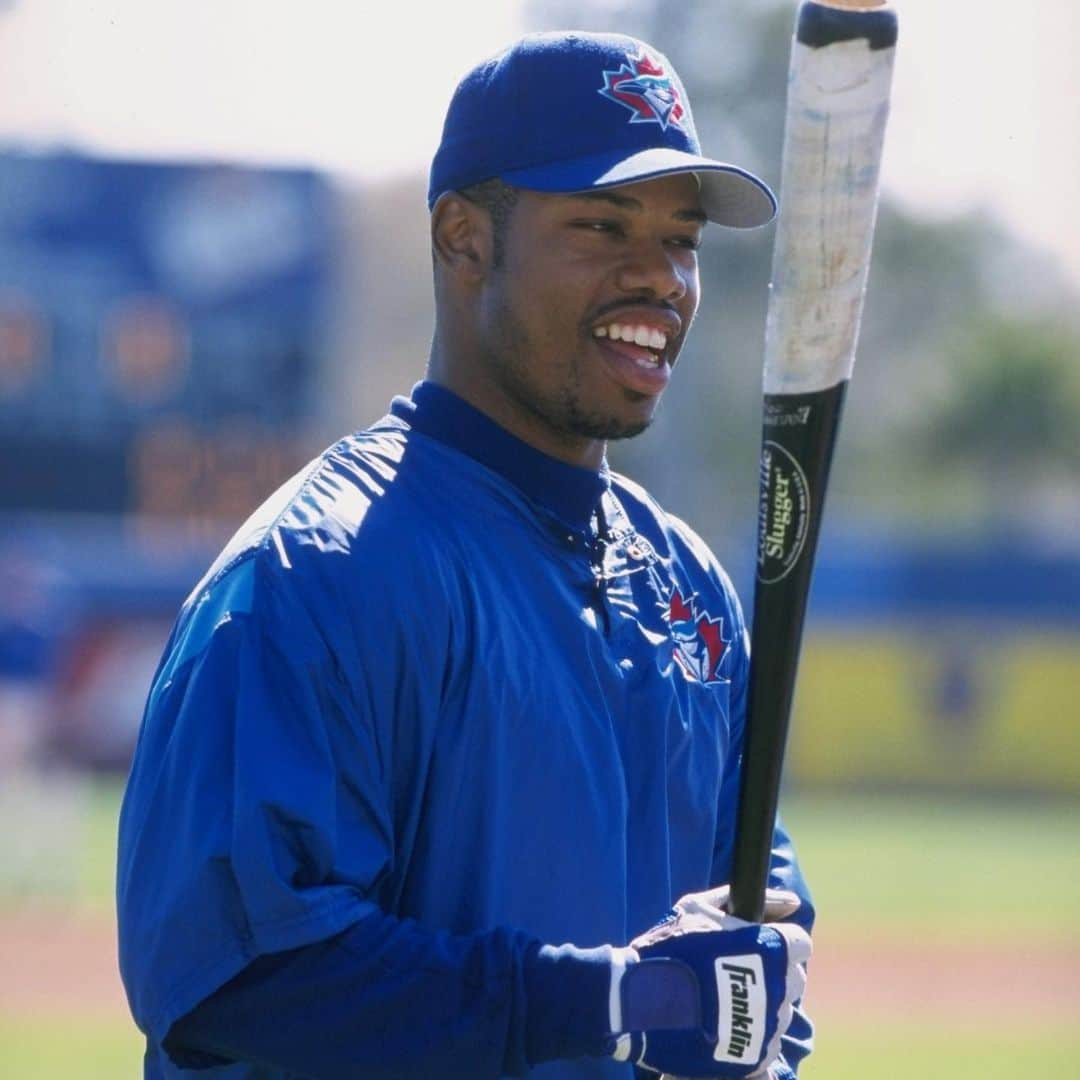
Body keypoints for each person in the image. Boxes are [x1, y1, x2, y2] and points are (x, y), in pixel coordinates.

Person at [117, 30, 815, 1080]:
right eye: (601, 224)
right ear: (462, 240)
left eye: (682, 240)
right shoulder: (321, 572)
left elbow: (761, 947)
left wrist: (753, 1014)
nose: (660, 278)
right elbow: (230, 982)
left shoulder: (693, 594)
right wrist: (617, 1005)